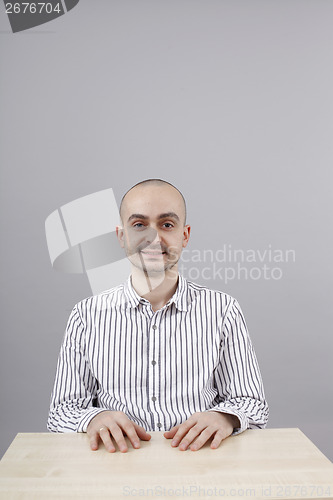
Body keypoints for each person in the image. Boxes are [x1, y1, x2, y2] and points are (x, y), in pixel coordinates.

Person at [48, 179, 269, 453]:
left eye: (167, 224)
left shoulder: (223, 310)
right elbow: (60, 412)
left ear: (185, 236)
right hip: (116, 467)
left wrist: (224, 417)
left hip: (201, 466)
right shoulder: (86, 316)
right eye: (139, 225)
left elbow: (252, 403)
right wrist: (93, 417)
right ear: (122, 236)